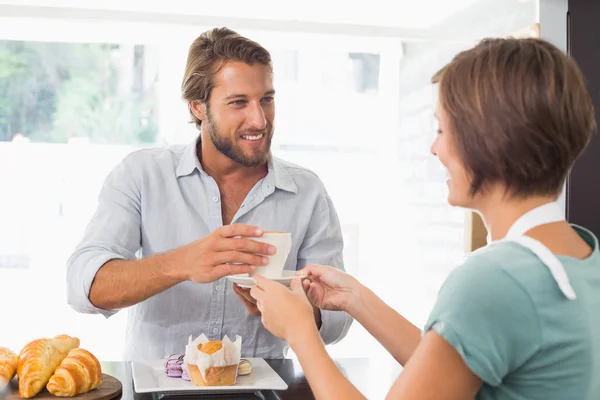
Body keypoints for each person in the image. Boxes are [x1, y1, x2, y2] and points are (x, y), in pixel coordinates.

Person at [251, 37, 600, 399]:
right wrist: (356, 298)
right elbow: (449, 367)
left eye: (441, 130)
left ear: (487, 140)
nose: (435, 148)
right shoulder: (579, 255)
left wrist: (301, 332)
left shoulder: (494, 281)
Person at [66, 27, 352, 361]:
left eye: (267, 100)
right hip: (157, 390)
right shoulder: (142, 175)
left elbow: (337, 318)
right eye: (238, 103)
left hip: (262, 391)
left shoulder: (306, 192)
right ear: (198, 107)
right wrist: (181, 263)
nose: (259, 119)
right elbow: (82, 286)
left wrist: (294, 312)